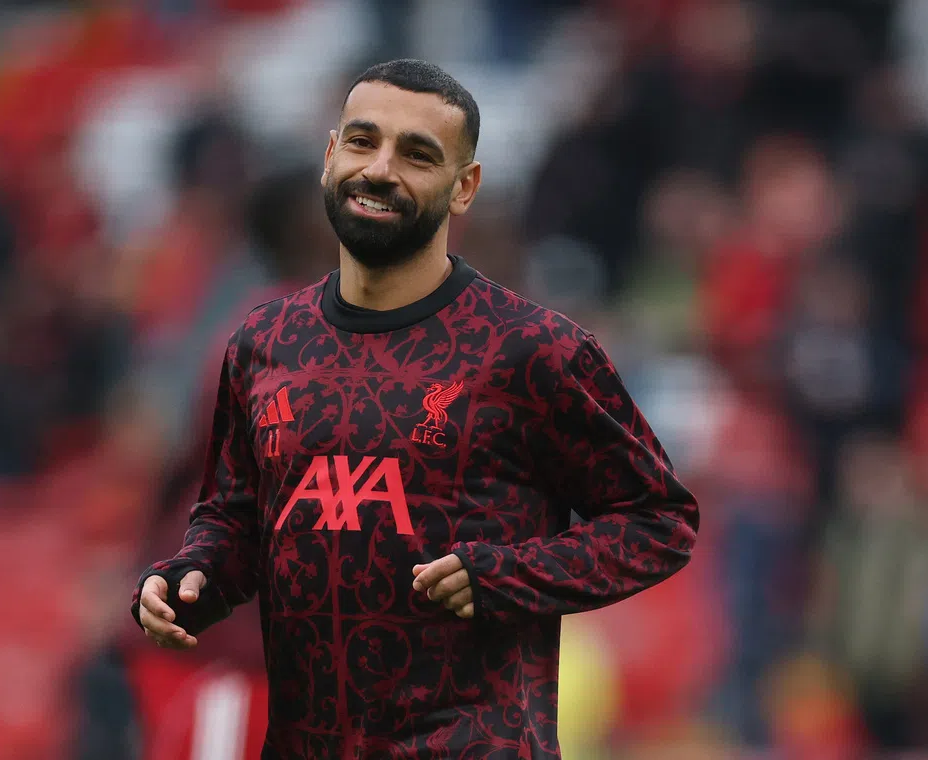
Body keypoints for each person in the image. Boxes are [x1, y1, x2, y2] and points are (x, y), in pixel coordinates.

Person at [132, 58, 699, 759]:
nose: (380, 171)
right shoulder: (262, 342)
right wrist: (191, 568)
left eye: (418, 154)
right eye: (363, 142)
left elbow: (660, 521)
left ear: (464, 189)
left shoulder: (535, 350)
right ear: (330, 159)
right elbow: (229, 506)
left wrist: (509, 577)